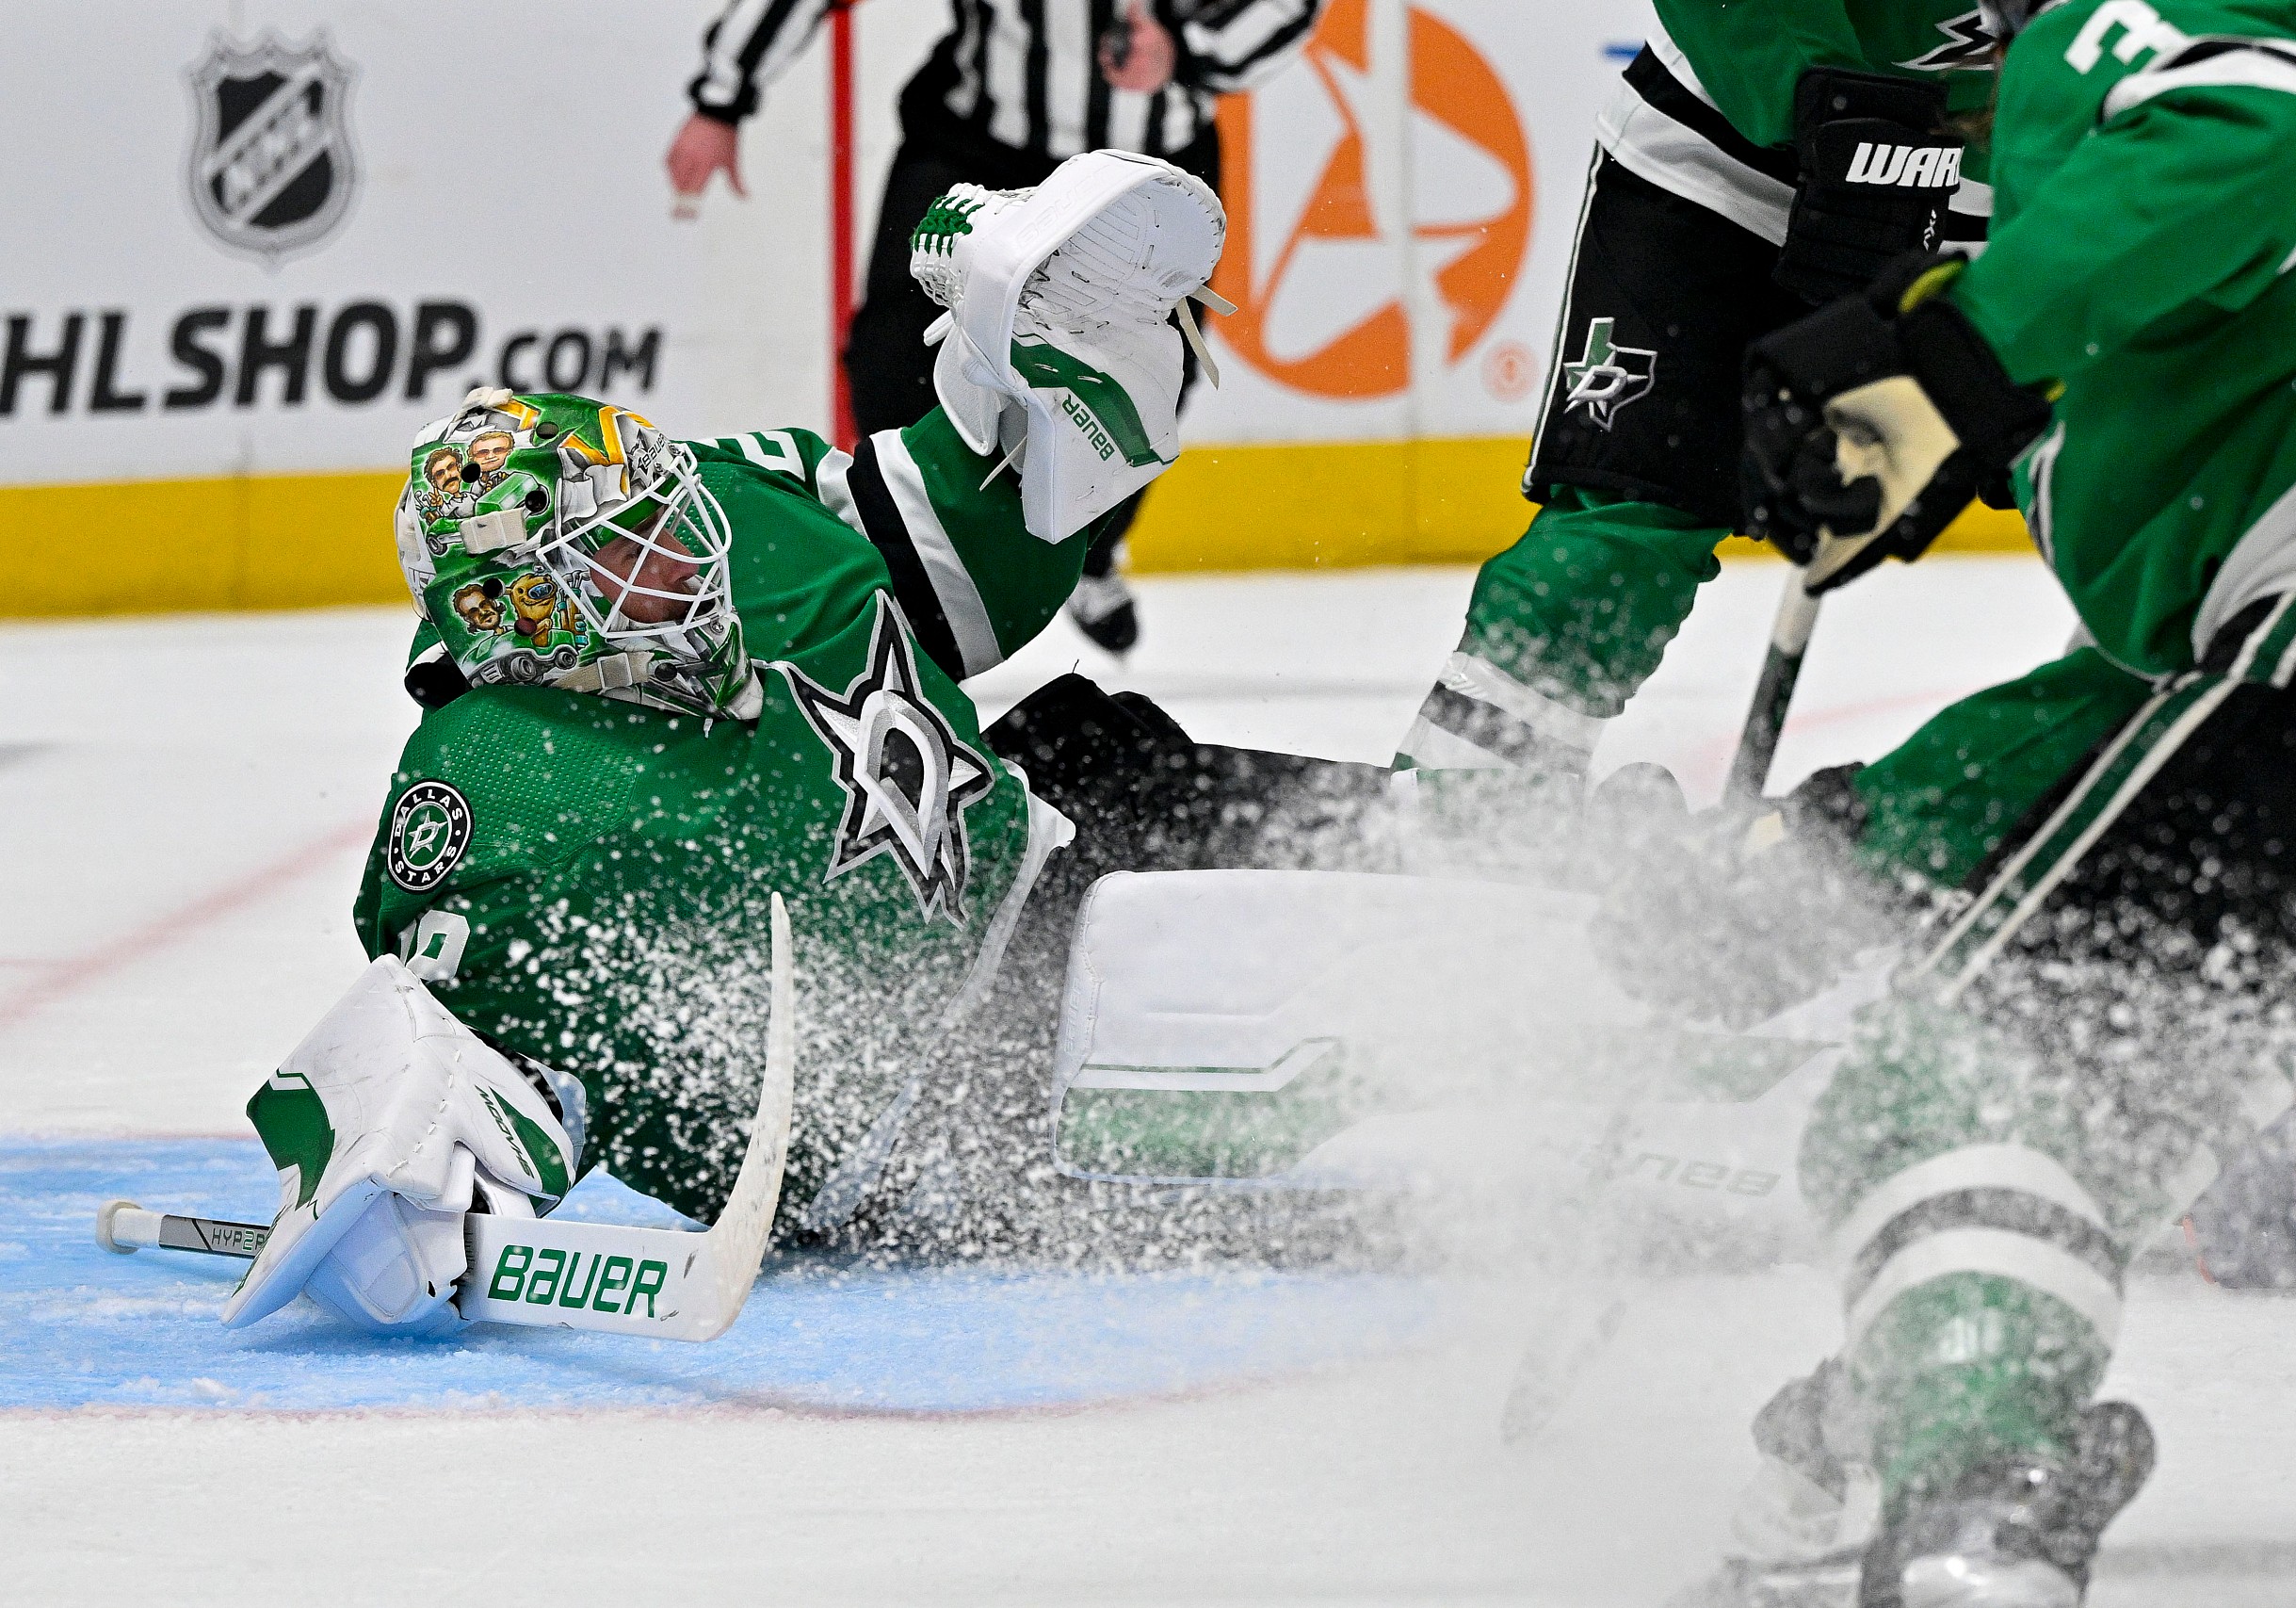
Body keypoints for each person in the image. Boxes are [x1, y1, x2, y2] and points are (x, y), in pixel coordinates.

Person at [220, 152, 1384, 1337]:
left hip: (1030, 839)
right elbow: (448, 1022)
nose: (687, 555)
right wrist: (416, 1175)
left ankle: (1483, 858)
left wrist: (1003, 359)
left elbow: (955, 561)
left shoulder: (727, 505)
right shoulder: (496, 785)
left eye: (664, 512)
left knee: (1145, 753)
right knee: (1394, 968)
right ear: (525, 616)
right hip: (945, 1094)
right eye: (626, 552)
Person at [1674, 0, 2296, 1598]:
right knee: (2114, 1068)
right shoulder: (2219, 354)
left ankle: (1976, 1473)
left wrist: (1946, 362)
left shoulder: (2114, 33)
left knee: (1956, 1083)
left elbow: (2266, 118)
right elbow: (2144, 701)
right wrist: (1847, 844)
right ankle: (1922, 1383)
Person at [1394, 0, 1999, 790]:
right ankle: (1468, 791)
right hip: (1722, 166)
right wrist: (1826, 103)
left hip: (2017, 205)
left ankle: (2079, 810)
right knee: (1630, 520)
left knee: (2125, 506)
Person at [666, 0, 1330, 653]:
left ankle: (1085, 552)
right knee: (892, 360)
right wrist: (721, 99)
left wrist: (1187, 47)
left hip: (1143, 183)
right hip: (975, 145)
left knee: (1135, 390)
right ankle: (898, 569)